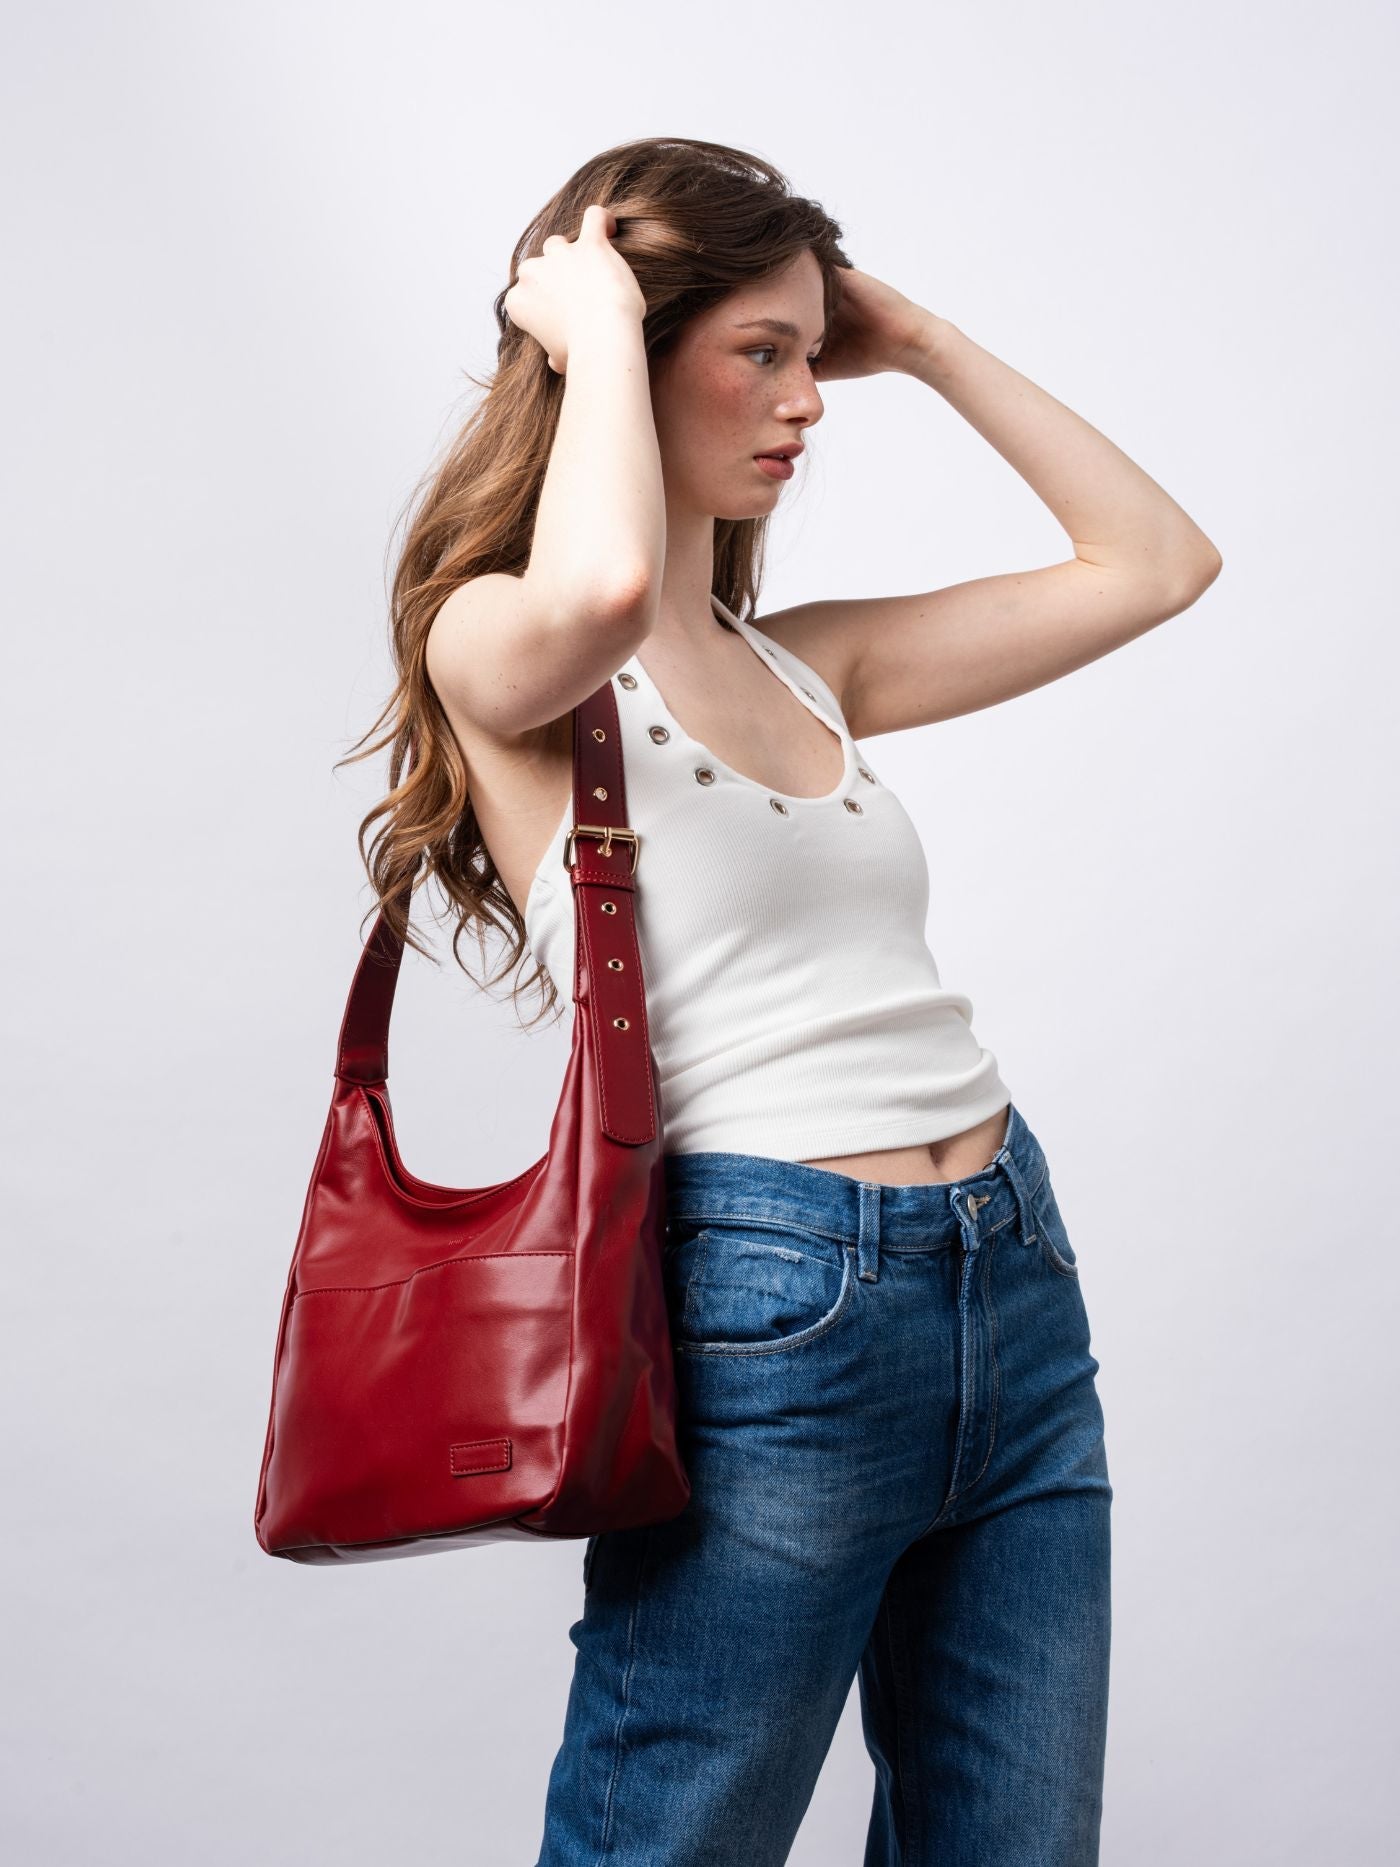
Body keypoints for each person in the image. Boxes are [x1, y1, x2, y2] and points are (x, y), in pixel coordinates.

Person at [344, 137, 1221, 1866]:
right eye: (762, 352)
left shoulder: (806, 662)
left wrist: (930, 344)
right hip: (774, 1308)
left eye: (818, 353)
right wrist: (594, 326)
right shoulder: (495, 645)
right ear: (623, 351)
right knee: (672, 1838)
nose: (809, 400)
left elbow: (1155, 563)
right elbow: (605, 590)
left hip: (1012, 1276)